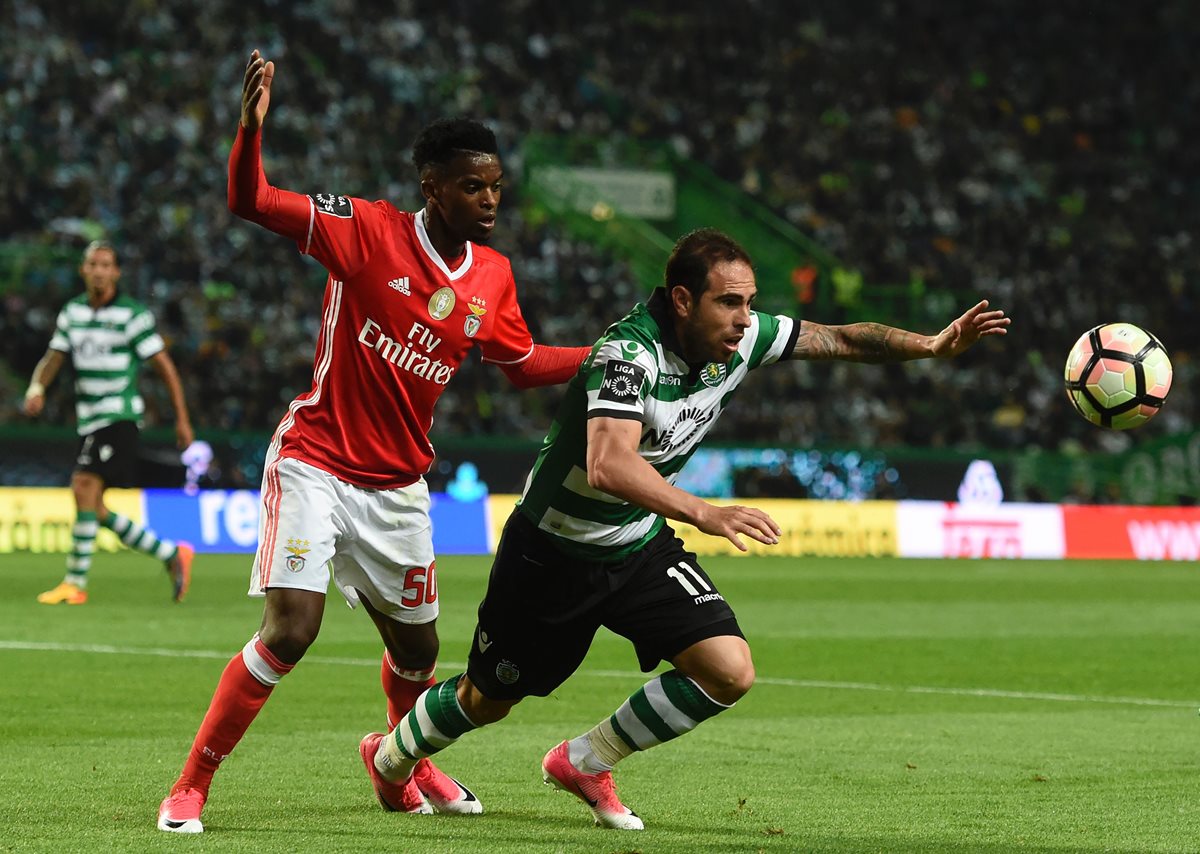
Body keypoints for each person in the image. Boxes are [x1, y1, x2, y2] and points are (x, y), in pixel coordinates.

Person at [360, 228, 1011, 831]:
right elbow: (607, 462)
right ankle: (389, 759)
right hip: (552, 552)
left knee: (728, 671)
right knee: (487, 698)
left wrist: (929, 345)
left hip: (638, 542)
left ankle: (583, 761)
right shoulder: (626, 355)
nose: (745, 319)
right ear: (681, 299)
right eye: (729, 302)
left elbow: (840, 338)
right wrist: (704, 511)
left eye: (750, 303)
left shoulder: (743, 339)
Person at [156, 51, 591, 834]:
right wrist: (249, 132)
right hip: (315, 461)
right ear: (432, 188)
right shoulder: (365, 231)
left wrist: (607, 353)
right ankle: (192, 784)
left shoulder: (491, 274)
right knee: (292, 627)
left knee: (419, 656)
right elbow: (249, 198)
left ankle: (401, 761)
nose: (489, 200)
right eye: (471, 186)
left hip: (397, 486)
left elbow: (523, 366)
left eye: (495, 186)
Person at [23, 240, 195, 606]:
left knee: (83, 485)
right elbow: (53, 357)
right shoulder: (72, 313)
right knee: (94, 507)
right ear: (83, 270)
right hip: (88, 420)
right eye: (92, 264)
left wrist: (182, 418)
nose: (99, 270)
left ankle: (75, 583)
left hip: (118, 416)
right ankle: (170, 553)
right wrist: (38, 387)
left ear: (115, 272)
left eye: (106, 265)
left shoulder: (132, 315)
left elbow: (164, 367)